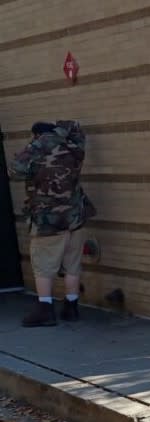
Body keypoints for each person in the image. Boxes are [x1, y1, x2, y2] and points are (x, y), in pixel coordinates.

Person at [10, 120, 93, 327]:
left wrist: (38, 143)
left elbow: (15, 170)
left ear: (37, 136)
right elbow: (76, 127)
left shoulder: (37, 154)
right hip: (75, 219)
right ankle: (71, 307)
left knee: (43, 267)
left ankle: (45, 310)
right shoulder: (74, 147)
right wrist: (58, 133)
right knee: (72, 265)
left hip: (49, 222)